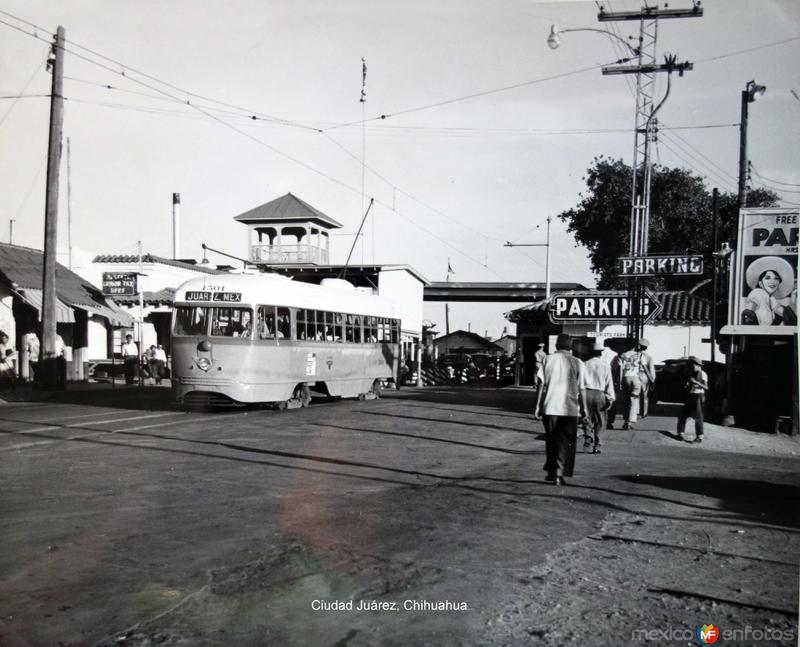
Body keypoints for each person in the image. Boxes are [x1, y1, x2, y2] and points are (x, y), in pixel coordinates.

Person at [535, 333, 587, 486]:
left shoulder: (547, 359)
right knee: (567, 442)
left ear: (556, 345)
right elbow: (582, 388)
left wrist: (538, 405)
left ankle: (552, 471)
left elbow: (540, 384)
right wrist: (585, 409)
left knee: (551, 440)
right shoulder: (578, 362)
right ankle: (560, 473)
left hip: (550, 406)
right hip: (570, 409)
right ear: (570, 346)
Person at [582, 339, 615, 454]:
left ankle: (588, 435)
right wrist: (610, 398)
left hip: (586, 393)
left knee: (587, 417)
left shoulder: (584, 364)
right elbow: (609, 383)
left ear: (590, 353)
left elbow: (580, 382)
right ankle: (598, 444)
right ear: (600, 353)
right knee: (601, 420)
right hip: (599, 393)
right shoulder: (605, 366)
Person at [741, 256, 795, 325]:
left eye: (776, 278)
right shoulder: (757, 293)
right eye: (768, 278)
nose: (772, 281)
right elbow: (748, 313)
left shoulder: (771, 299)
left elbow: (785, 315)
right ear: (760, 283)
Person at [677, 356, 708, 443]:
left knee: (698, 417)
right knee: (682, 415)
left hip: (699, 396)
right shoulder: (692, 373)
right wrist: (687, 384)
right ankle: (681, 433)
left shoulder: (703, 374)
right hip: (691, 395)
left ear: (698, 365)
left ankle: (700, 436)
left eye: (693, 365)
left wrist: (696, 382)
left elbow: (706, 387)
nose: (691, 367)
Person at [635, 338, 656, 419]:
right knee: (645, 394)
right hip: (644, 375)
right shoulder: (648, 356)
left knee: (635, 394)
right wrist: (652, 379)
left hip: (635, 375)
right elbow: (651, 369)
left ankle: (635, 412)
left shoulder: (635, 355)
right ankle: (644, 412)